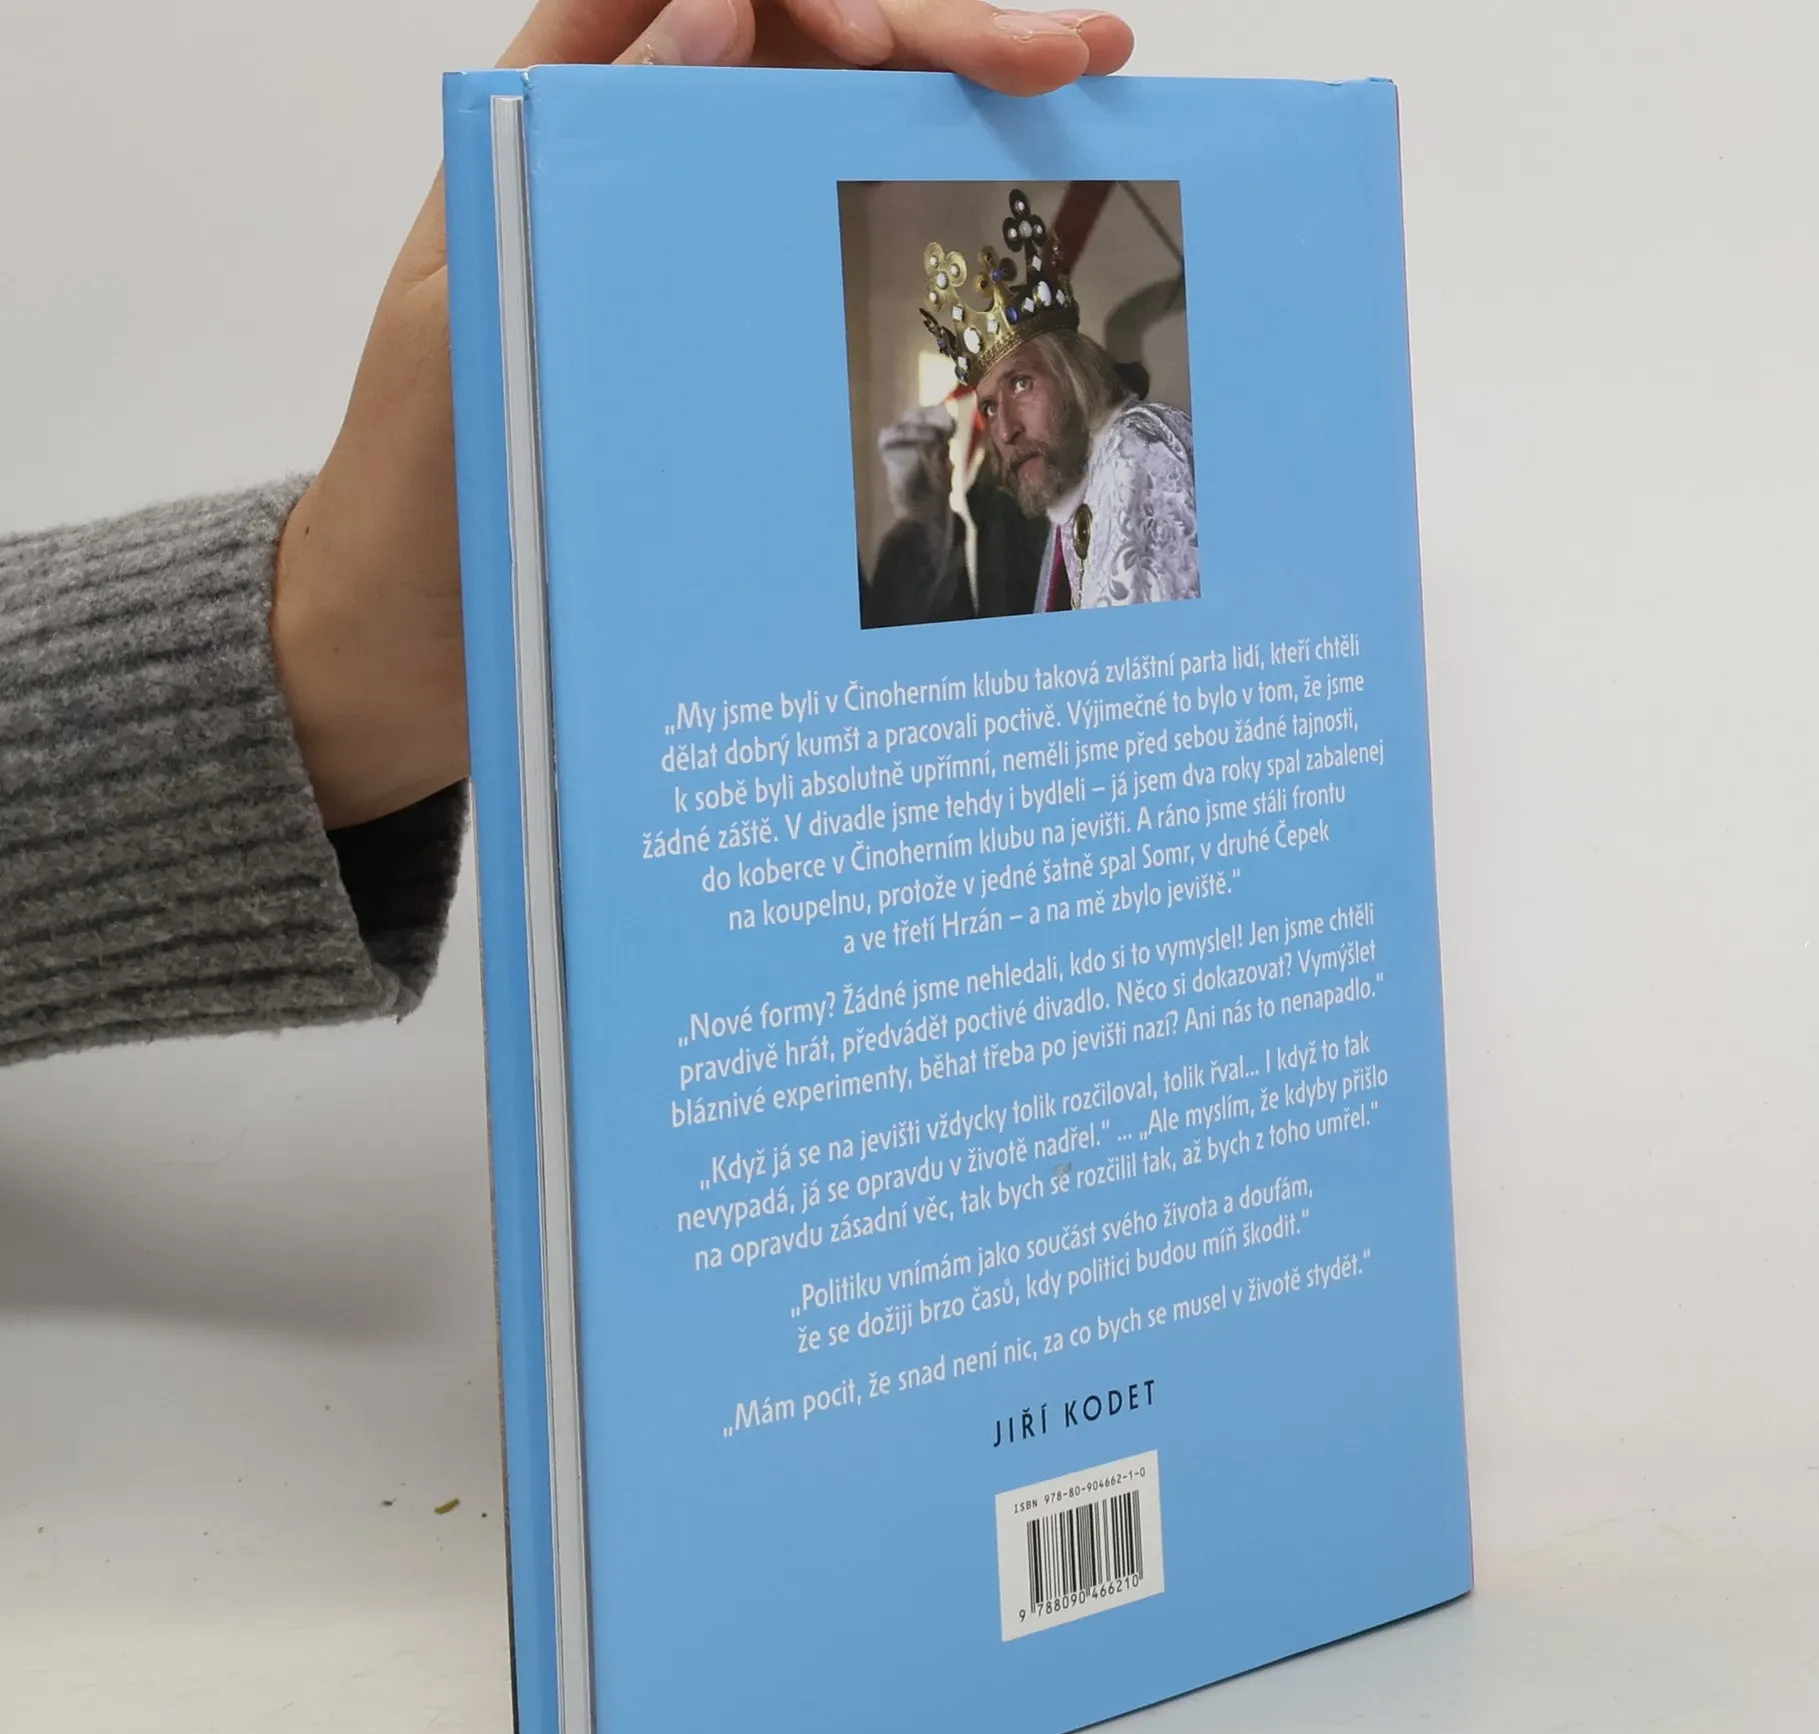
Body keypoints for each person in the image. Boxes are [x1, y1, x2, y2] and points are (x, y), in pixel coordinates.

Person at [0, 0, 1134, 1070]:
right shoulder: (988, 511)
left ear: (1080, 373)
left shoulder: (1136, 477)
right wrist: (921, 523)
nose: (999, 420)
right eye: (988, 394)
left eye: (1020, 385)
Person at [920, 186, 1199, 613]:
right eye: (989, 407)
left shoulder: (1134, 449)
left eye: (1021, 384)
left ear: (1074, 376)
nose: (1005, 431)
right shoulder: (1071, 496)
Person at [864, 406, 975, 627]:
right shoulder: (898, 547)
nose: (952, 466)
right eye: (942, 457)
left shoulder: (956, 529)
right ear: (920, 470)